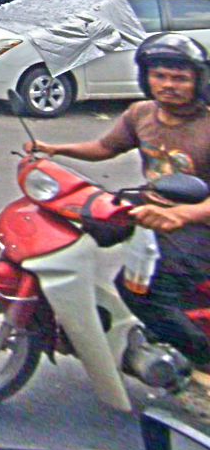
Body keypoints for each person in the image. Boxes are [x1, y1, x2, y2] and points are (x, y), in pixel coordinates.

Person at [26, 33, 210, 380]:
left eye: (180, 78)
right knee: (81, 222)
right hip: (152, 204)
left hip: (197, 222)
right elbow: (105, 148)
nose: (168, 85)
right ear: (146, 78)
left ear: (198, 81)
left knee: (140, 291)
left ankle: (199, 356)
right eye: (160, 76)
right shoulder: (141, 113)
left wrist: (179, 214)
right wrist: (56, 149)